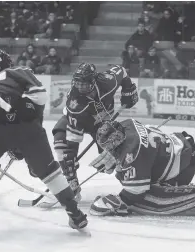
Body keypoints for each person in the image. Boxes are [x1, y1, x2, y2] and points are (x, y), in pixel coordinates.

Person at [0, 50, 88, 235]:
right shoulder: (19, 71)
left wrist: (8, 142)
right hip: (26, 127)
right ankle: (76, 214)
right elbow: (40, 96)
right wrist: (29, 135)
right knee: (50, 171)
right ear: (9, 63)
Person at [89, 119, 195, 218]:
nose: (112, 145)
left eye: (114, 141)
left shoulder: (132, 155)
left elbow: (134, 194)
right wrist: (118, 159)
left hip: (184, 163)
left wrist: (118, 201)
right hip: (181, 143)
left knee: (147, 201)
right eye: (108, 144)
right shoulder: (128, 124)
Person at [52, 63, 138, 199]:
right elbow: (72, 141)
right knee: (61, 144)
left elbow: (122, 70)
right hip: (77, 120)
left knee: (112, 161)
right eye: (78, 83)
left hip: (103, 124)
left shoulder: (107, 82)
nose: (79, 87)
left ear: (93, 81)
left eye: (84, 84)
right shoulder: (75, 104)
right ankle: (71, 182)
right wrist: (70, 162)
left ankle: (135, 186)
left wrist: (128, 89)